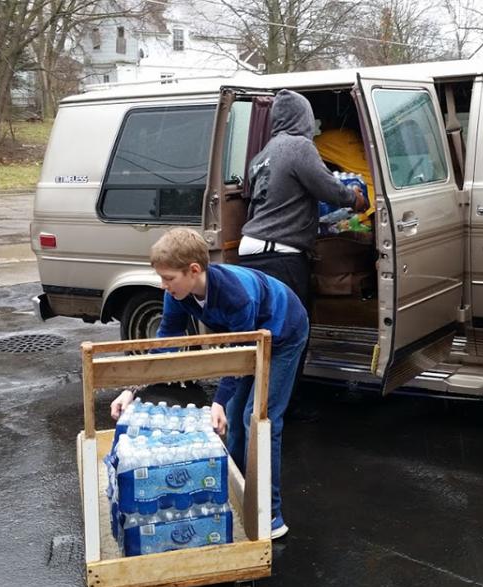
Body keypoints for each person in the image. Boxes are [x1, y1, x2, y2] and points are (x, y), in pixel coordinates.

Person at [110, 227, 308, 540]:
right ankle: (236, 491)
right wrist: (131, 389)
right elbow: (167, 340)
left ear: (194, 270)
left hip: (283, 332)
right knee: (236, 420)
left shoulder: (235, 297)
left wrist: (218, 402)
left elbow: (238, 354)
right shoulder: (177, 293)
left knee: (258, 419)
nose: (163, 285)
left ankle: (270, 512)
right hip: (249, 339)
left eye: (168, 278)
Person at [239, 88, 368, 309]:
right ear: (304, 118)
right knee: (293, 324)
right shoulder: (298, 146)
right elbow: (328, 188)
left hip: (250, 248)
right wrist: (354, 199)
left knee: (266, 322)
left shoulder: (262, 155)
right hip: (279, 253)